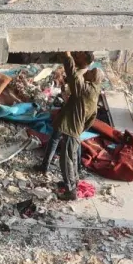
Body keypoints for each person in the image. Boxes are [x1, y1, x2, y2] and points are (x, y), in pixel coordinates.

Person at [42, 52, 103, 198]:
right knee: (72, 156)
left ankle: (70, 191)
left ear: (92, 79)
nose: (87, 72)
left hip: (71, 127)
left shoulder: (84, 88)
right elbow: (93, 115)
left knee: (67, 159)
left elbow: (73, 76)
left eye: (90, 73)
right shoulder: (94, 90)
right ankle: (72, 182)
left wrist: (68, 56)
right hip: (73, 126)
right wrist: (82, 128)